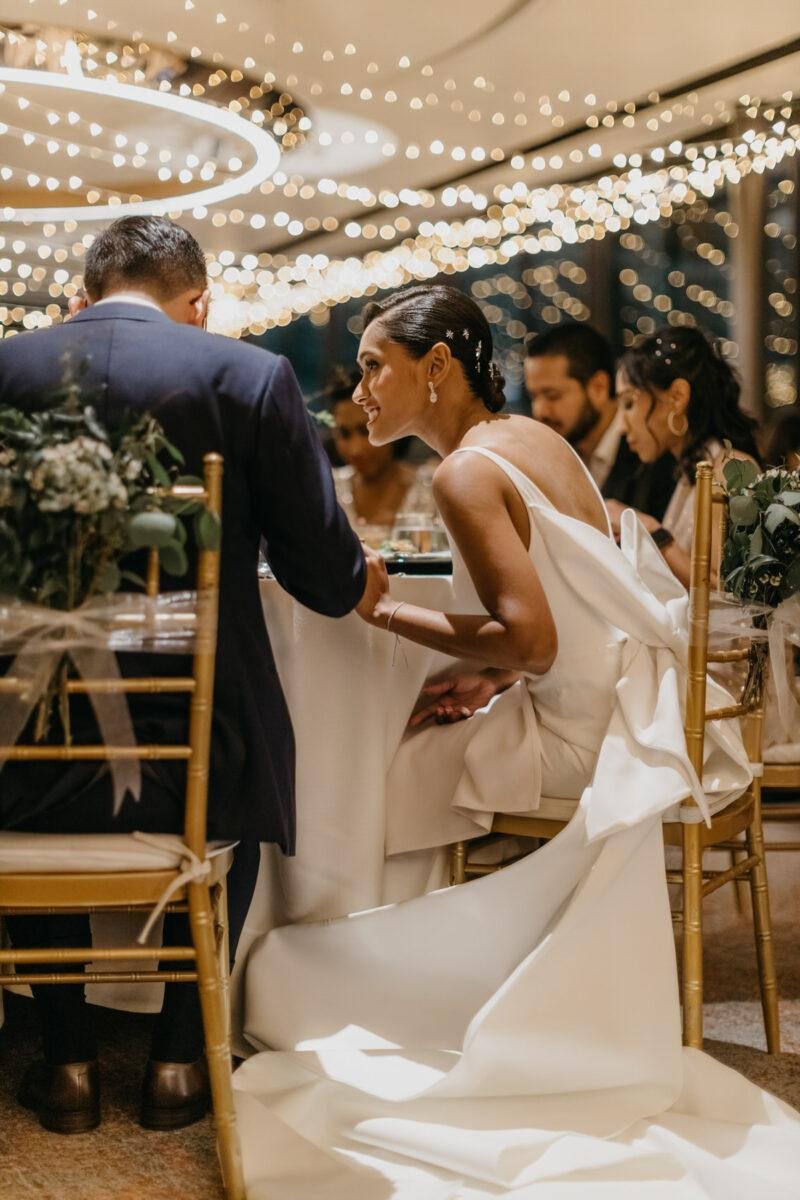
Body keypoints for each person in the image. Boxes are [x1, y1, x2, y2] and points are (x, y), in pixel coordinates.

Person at [236, 285, 799, 1195]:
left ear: (438, 367)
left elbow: (533, 639)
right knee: (410, 757)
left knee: (363, 780)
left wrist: (384, 610)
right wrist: (490, 672)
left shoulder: (463, 474)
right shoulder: (532, 443)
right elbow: (565, 618)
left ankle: (401, 998)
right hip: (608, 706)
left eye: (376, 367)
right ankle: (442, 974)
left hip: (575, 739)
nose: (361, 391)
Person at [0, 215, 378, 1134]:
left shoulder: (8, 367)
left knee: (36, 748)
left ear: (84, 297)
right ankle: (176, 1064)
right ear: (199, 302)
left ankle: (69, 1063)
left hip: (18, 756)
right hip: (197, 760)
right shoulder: (247, 376)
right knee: (231, 782)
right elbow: (326, 582)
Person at [612, 326, 760, 587]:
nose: (622, 426)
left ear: (678, 397)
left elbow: (730, 594)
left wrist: (652, 533)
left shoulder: (731, 469)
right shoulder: (686, 470)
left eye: (629, 403)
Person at [524, 321, 674, 518]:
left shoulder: (650, 448)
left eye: (553, 396)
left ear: (599, 387)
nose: (539, 411)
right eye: (533, 397)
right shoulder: (550, 456)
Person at [325, 370, 436, 539]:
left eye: (365, 430)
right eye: (344, 433)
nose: (356, 449)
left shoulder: (431, 490)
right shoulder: (328, 490)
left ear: (393, 424)